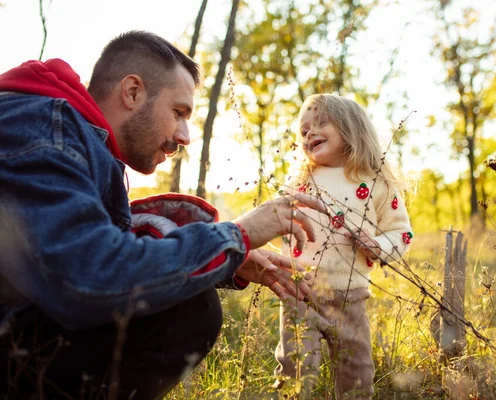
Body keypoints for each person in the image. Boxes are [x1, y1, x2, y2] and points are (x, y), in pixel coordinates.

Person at [0, 31, 326, 399]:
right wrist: (239, 233)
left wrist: (228, 257)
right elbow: (90, 278)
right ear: (133, 92)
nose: (184, 135)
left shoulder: (76, 136)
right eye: (179, 112)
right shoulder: (47, 129)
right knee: (188, 308)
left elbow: (87, 245)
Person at [274, 94, 413, 399]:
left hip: (349, 295)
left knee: (356, 369)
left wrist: (376, 245)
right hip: (301, 290)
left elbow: (401, 232)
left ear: (351, 129)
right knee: (295, 364)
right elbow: (275, 220)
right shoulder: (299, 180)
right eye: (304, 130)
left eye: (321, 123)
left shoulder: (374, 182)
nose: (309, 133)